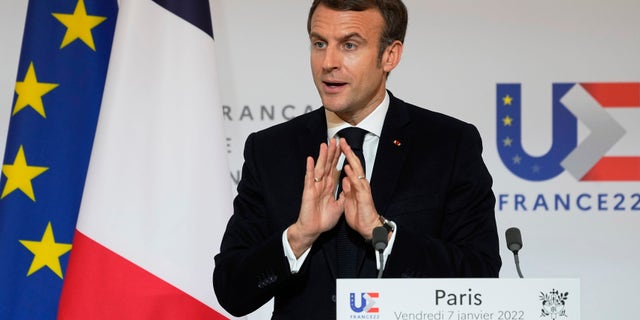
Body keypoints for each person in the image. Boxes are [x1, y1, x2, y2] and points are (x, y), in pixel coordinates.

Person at [213, 0, 501, 318]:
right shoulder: (270, 150)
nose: (328, 62)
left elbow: (481, 277)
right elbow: (231, 289)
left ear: (390, 55)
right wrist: (299, 237)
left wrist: (382, 234)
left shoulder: (448, 144)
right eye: (319, 43)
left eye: (350, 45)